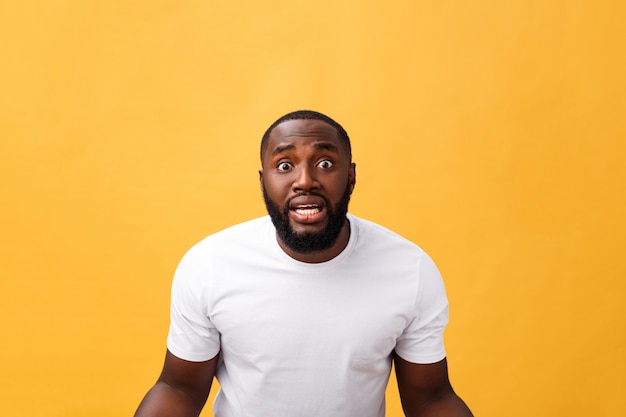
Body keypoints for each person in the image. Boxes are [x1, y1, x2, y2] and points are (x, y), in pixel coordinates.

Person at [135, 110, 473, 417]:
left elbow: (430, 399)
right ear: (263, 180)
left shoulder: (409, 269)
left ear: (351, 177)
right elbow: (180, 388)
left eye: (325, 163)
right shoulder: (209, 265)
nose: (305, 180)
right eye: (284, 166)